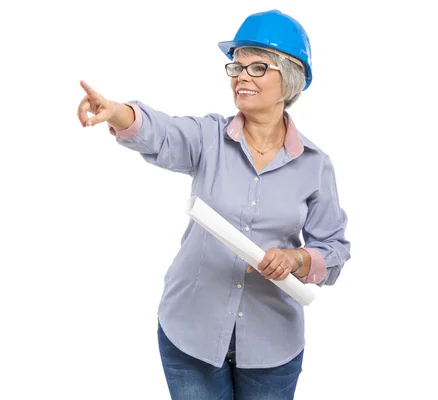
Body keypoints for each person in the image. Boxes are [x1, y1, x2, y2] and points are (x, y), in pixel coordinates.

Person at [77, 9, 351, 400]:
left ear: (289, 79)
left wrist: (298, 261)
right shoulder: (208, 138)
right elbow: (161, 132)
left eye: (258, 67)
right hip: (191, 332)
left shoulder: (314, 165)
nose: (241, 76)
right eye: (236, 66)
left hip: (272, 346)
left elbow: (335, 248)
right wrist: (119, 112)